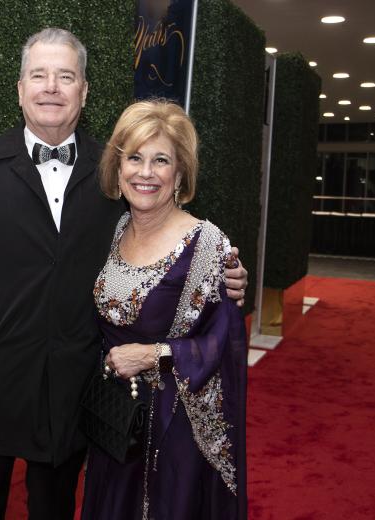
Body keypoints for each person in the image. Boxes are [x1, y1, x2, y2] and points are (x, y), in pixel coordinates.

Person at [0, 28, 247, 520]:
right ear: (20, 88)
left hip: (75, 387)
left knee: (54, 508)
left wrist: (227, 276)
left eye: (66, 76)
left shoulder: (115, 174)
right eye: (39, 75)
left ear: (84, 91)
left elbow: (161, 242)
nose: (52, 87)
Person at [81, 99, 247, 519]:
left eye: (161, 160)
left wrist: (153, 354)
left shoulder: (208, 245)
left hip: (176, 433)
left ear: (179, 174)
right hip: (116, 420)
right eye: (134, 158)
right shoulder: (114, 230)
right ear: (118, 170)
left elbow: (224, 342)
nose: (146, 172)